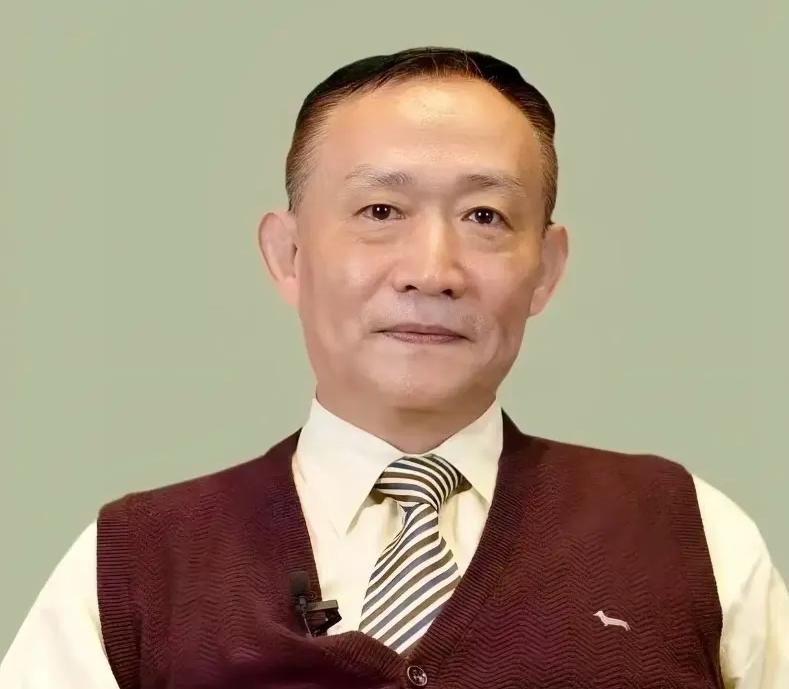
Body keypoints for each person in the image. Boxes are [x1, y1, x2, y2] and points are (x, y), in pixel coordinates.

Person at [1, 46, 786, 689]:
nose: (431, 270)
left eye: (485, 216)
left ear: (545, 268)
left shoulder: (690, 535)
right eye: (380, 211)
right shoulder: (134, 564)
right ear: (288, 253)